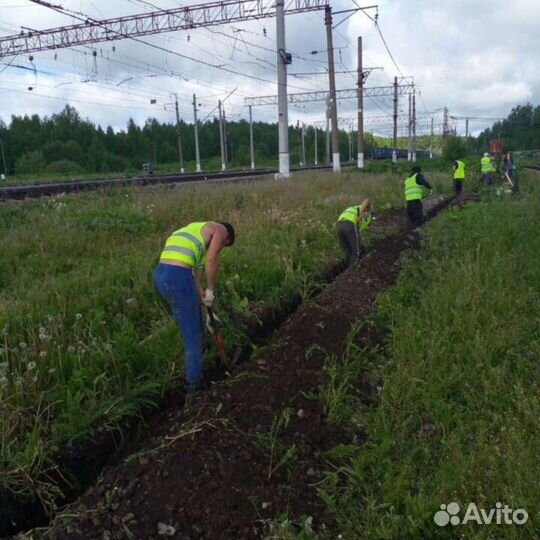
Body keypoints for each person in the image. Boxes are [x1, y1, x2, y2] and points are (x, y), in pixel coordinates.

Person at [153, 221, 235, 393]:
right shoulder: (220, 229)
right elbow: (212, 259)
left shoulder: (196, 231)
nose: (220, 247)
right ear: (226, 238)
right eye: (223, 245)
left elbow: (196, 275)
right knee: (193, 338)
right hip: (177, 278)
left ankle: (204, 356)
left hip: (161, 275)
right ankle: (194, 387)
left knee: (195, 323)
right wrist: (211, 289)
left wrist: (203, 296)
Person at [336, 199, 373, 267]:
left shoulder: (353, 208)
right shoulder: (366, 211)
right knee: (356, 253)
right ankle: (351, 272)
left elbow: (356, 235)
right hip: (350, 223)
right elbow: (367, 201)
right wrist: (360, 215)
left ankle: (345, 273)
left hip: (339, 225)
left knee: (349, 252)